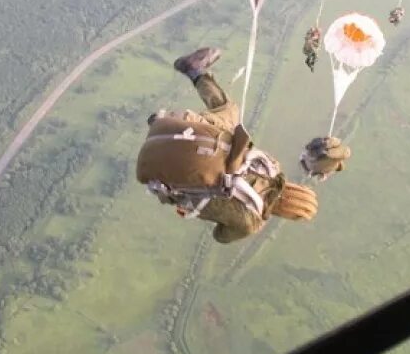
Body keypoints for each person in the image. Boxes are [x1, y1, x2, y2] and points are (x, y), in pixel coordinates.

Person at [137, 47, 319, 244]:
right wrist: (252, 223)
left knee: (229, 112)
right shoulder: (250, 223)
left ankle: (192, 80)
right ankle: (173, 128)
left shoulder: (271, 166)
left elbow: (237, 144)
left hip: (182, 132)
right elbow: (221, 236)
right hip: (155, 172)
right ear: (288, 214)